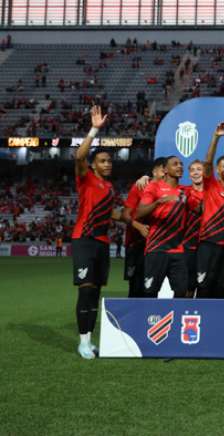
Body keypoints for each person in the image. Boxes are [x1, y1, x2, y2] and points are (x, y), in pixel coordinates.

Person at [71, 106, 123, 359]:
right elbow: (79, 157)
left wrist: (132, 217)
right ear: (93, 165)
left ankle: (89, 341)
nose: (107, 164)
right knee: (87, 289)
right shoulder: (86, 177)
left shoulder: (110, 187)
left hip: (102, 243)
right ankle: (82, 342)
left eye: (109, 161)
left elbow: (111, 213)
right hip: (85, 240)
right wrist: (94, 129)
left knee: (97, 292)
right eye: (102, 161)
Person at [135, 156, 189, 297]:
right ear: (165, 169)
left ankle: (175, 317)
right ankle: (150, 318)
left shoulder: (185, 191)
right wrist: (159, 201)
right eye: (175, 164)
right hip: (156, 248)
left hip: (177, 249)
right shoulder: (154, 187)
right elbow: (139, 213)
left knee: (182, 291)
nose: (179, 167)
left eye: (181, 164)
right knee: (150, 292)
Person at [196, 122, 224, 298]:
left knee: (220, 291)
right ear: (218, 170)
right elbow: (207, 161)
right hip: (208, 244)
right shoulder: (211, 185)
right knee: (204, 288)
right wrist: (216, 138)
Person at [121, 159, 164, 298]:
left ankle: (150, 318)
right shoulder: (140, 186)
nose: (165, 173)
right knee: (135, 287)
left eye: (167, 170)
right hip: (136, 244)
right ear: (154, 171)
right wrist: (138, 226)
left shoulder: (170, 190)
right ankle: (133, 319)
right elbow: (125, 214)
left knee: (152, 288)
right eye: (162, 170)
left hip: (157, 246)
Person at [182, 160, 205, 297]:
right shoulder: (183, 191)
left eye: (199, 169)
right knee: (187, 288)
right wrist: (146, 177)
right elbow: (161, 184)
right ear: (189, 175)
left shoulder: (212, 192)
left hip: (207, 246)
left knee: (204, 287)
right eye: (192, 170)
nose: (196, 172)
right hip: (188, 246)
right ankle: (183, 314)